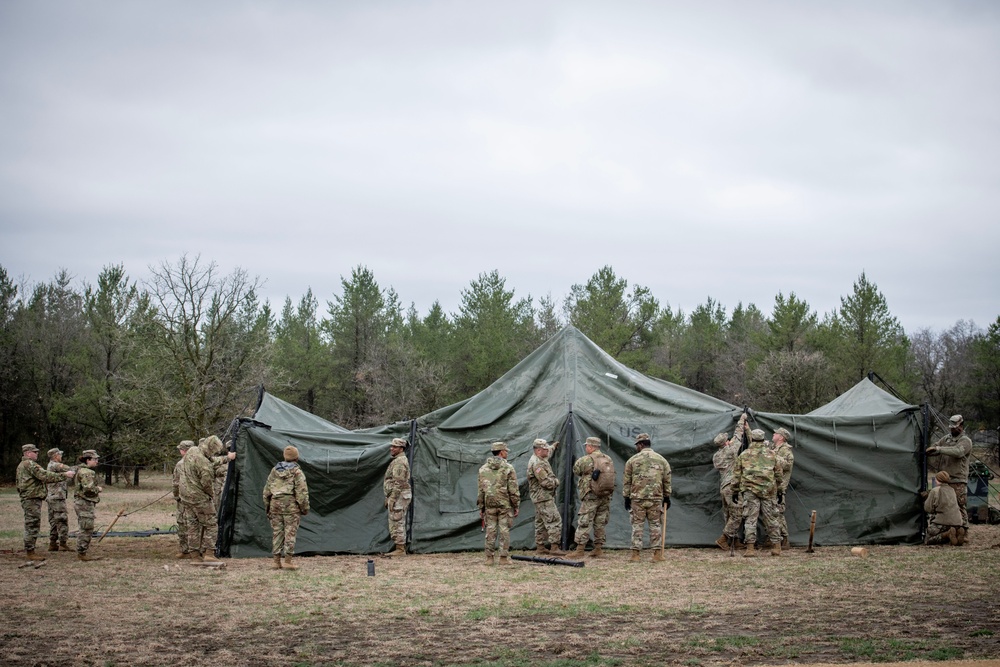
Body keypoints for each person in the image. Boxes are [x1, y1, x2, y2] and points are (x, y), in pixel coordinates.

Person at [179, 435, 235, 562]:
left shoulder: (193, 450)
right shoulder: (205, 466)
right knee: (211, 524)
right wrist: (211, 495)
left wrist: (227, 458)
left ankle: (194, 555)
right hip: (199, 498)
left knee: (192, 525)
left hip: (186, 496)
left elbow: (210, 460)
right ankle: (209, 553)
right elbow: (207, 484)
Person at [728, 429, 783, 557]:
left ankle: (750, 548)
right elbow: (779, 475)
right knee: (771, 518)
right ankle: (776, 547)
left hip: (749, 491)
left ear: (752, 439)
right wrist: (780, 491)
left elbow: (736, 475)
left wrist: (734, 491)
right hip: (768, 490)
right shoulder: (772, 454)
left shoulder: (744, 455)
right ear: (763, 439)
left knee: (750, 519)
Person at [15, 444, 75, 560]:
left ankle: (31, 549)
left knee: (33, 523)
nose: (37, 454)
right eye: (35, 452)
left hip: (31, 497)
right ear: (28, 453)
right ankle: (30, 551)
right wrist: (64, 475)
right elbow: (44, 475)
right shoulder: (29, 464)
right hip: (31, 498)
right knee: (32, 524)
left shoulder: (24, 464)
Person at [622, 433, 672, 563]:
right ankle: (656, 554)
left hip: (637, 498)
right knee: (655, 525)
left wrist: (626, 497)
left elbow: (627, 481)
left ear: (641, 444)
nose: (636, 447)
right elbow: (667, 479)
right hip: (655, 498)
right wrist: (667, 496)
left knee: (637, 525)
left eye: (637, 445)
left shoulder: (632, 460)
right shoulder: (662, 460)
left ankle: (635, 554)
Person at [926, 414, 973, 544]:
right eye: (951, 427)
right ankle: (949, 531)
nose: (953, 429)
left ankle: (964, 531)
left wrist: (939, 449)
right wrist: (932, 450)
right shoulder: (946, 439)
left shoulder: (965, 441)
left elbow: (958, 452)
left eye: (955, 427)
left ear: (961, 426)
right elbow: (936, 446)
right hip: (943, 479)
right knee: (942, 504)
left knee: (959, 505)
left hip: (958, 479)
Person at [263, 445, 310, 570]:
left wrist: (267, 507)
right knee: (290, 532)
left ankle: (276, 561)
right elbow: (302, 492)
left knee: (277, 532)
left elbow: (267, 490)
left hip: (275, 504)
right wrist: (304, 508)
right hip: (291, 506)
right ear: (296, 457)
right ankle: (288, 561)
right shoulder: (297, 472)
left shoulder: (274, 470)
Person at [570, 436, 615, 559]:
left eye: (586, 446)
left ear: (590, 447)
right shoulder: (608, 459)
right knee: (600, 522)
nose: (585, 448)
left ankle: (579, 550)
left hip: (590, 495)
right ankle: (598, 548)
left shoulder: (585, 459)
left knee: (585, 521)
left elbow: (576, 470)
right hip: (605, 495)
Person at [477, 442, 520, 565]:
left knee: (490, 530)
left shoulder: (483, 469)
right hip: (504, 505)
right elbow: (513, 489)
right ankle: (503, 558)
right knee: (504, 530)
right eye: (506, 451)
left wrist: (481, 507)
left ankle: (489, 558)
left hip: (489, 504)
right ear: (501, 452)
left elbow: (481, 490)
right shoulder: (508, 468)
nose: (507, 453)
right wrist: (516, 505)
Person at [712, 413, 749, 550]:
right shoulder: (731, 451)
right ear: (726, 442)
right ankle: (724, 538)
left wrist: (728, 444)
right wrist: (742, 419)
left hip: (723, 487)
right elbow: (738, 435)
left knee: (728, 514)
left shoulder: (717, 455)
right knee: (737, 514)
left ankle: (734, 540)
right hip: (732, 487)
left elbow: (731, 443)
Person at [527, 439, 565, 556]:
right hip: (543, 497)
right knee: (554, 520)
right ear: (538, 450)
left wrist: (553, 446)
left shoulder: (540, 458)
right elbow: (545, 483)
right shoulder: (538, 464)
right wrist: (556, 482)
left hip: (539, 497)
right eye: (545, 449)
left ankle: (540, 547)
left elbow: (549, 453)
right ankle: (554, 547)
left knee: (540, 522)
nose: (547, 450)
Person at [383, 437, 412, 556]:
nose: (392, 448)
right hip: (398, 495)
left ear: (401, 449)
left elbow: (398, 482)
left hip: (399, 496)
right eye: (392, 446)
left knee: (397, 520)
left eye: (395, 447)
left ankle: (400, 549)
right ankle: (399, 547)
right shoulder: (398, 460)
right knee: (396, 520)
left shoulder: (400, 462)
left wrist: (393, 498)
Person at [74, 450, 103, 561]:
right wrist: (98, 489)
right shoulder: (87, 472)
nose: (97, 461)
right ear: (88, 460)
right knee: (86, 529)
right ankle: (82, 553)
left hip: (82, 503)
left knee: (85, 527)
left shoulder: (82, 470)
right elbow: (88, 489)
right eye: (95, 459)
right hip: (84, 503)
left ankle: (82, 552)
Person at [45, 447, 73, 552]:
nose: (61, 456)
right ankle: (63, 543)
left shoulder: (51, 465)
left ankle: (53, 543)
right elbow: (68, 468)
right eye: (60, 455)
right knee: (62, 520)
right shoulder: (55, 465)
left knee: (53, 521)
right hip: (57, 498)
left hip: (52, 497)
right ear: (56, 456)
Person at [924, 471, 962, 545]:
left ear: (938, 479)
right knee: (950, 533)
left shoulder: (935, 491)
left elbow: (928, 508)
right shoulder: (952, 490)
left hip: (941, 522)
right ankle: (957, 534)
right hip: (957, 522)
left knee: (928, 540)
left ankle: (946, 534)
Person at [772, 427, 794, 548]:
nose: (773, 434)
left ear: (781, 437)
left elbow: (788, 465)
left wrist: (773, 456)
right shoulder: (775, 448)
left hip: (779, 487)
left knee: (778, 513)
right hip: (772, 486)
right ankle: (774, 539)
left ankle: (784, 539)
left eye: (775, 433)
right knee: (771, 513)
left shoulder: (785, 450)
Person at [172, 440, 195, 559]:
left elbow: (176, 483)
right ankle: (198, 549)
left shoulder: (180, 464)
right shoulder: (201, 462)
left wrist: (176, 497)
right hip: (198, 499)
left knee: (182, 523)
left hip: (184, 499)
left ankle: (185, 550)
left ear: (183, 451)